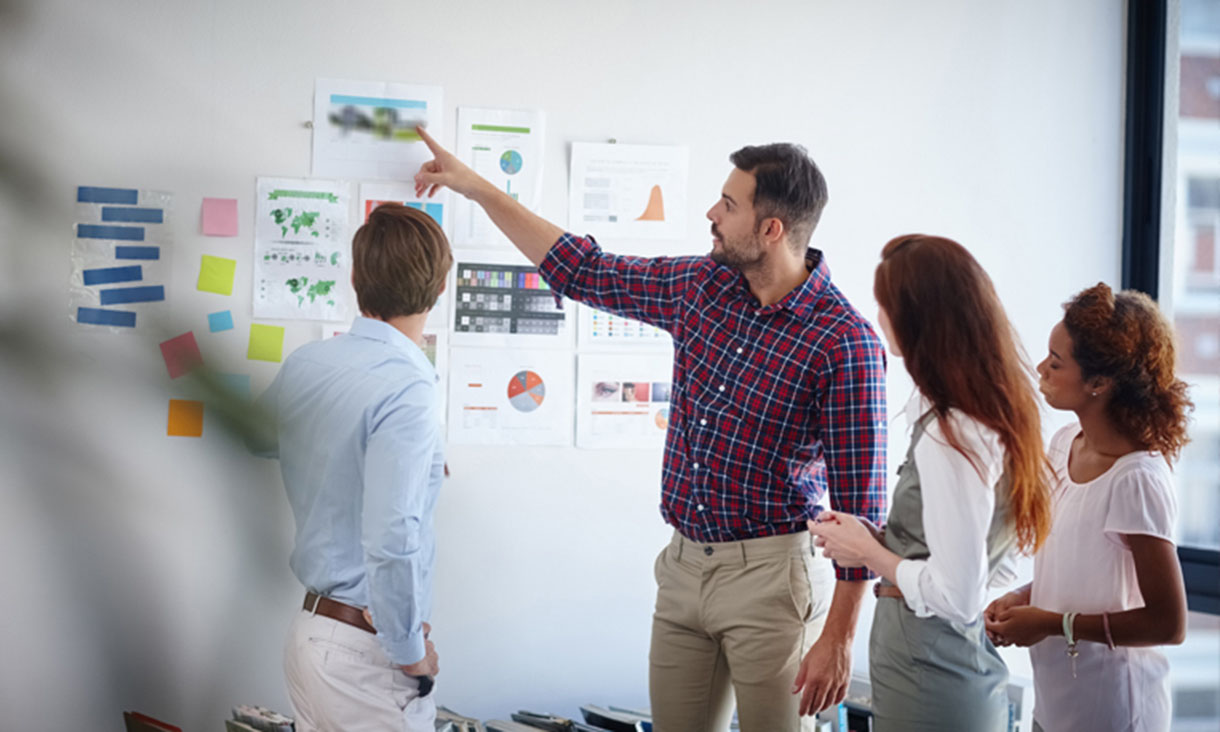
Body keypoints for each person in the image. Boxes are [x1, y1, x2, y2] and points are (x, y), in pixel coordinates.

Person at [413, 127, 888, 732]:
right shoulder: (701, 288)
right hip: (684, 566)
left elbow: (862, 512)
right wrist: (478, 188)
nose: (711, 214)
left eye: (730, 205)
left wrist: (839, 638)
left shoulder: (843, 343)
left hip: (775, 579)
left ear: (772, 229)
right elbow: (582, 270)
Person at [809, 234, 1052, 731]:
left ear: (918, 320)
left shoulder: (951, 432)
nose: (877, 318)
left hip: (928, 669)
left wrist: (870, 554)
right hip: (940, 663)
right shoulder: (994, 413)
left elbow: (958, 595)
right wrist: (882, 541)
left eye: (885, 306)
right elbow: (985, 562)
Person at [251, 203, 451, 732]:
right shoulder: (410, 386)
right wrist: (410, 653)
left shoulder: (310, 363)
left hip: (311, 636)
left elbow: (255, 437)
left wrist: (337, 443)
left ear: (356, 278)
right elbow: (391, 535)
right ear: (440, 288)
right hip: (365, 656)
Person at [984, 283, 1190, 732]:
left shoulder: (1137, 479)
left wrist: (1053, 623)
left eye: (1056, 363)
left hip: (1114, 714)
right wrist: (1023, 599)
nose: (1041, 368)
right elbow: (1082, 569)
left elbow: (1168, 623)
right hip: (1056, 707)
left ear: (1099, 383)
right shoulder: (1064, 445)